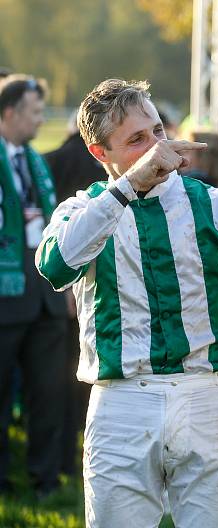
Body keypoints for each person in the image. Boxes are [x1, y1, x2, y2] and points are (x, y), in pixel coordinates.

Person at [35, 79, 218, 527]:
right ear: (99, 153)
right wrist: (127, 188)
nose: (158, 147)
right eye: (137, 140)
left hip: (207, 397)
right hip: (120, 405)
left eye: (158, 131)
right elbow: (56, 265)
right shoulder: (81, 209)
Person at [0, 74, 69, 499]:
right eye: (35, 112)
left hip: (45, 294)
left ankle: (46, 476)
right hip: (5, 296)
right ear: (9, 113)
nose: (41, 121)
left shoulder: (36, 160)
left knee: (49, 390)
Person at [44, 108, 107, 478]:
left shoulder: (47, 161)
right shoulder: (94, 171)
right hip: (84, 287)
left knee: (63, 378)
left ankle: (65, 455)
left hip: (56, 287)